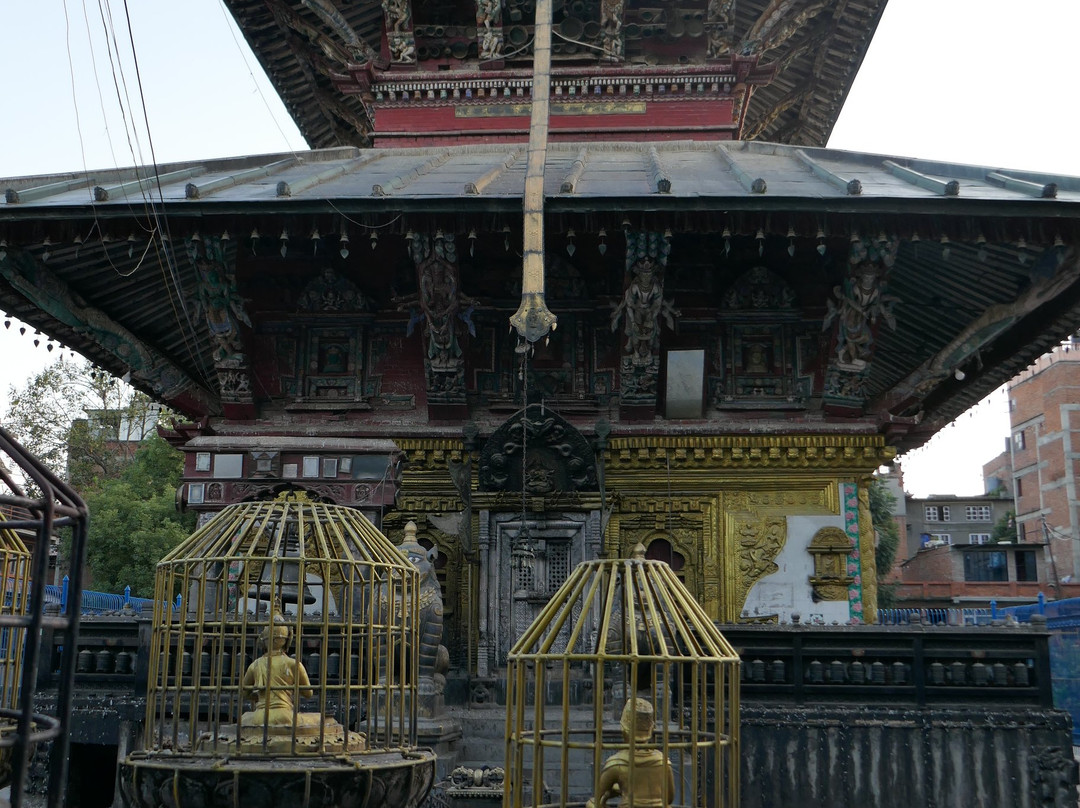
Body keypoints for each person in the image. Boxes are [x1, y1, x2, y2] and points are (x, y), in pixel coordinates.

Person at [587, 698, 674, 808]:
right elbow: (669, 798)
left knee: (591, 804)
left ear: (623, 730)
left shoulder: (617, 763)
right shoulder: (663, 761)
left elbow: (598, 797)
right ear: (651, 729)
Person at [240, 620, 320, 733]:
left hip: (260, 716)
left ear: (264, 640)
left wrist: (260, 696)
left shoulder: (255, 665)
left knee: (246, 718)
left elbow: (244, 692)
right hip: (284, 715)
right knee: (321, 719)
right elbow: (308, 693)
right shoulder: (293, 664)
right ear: (286, 641)